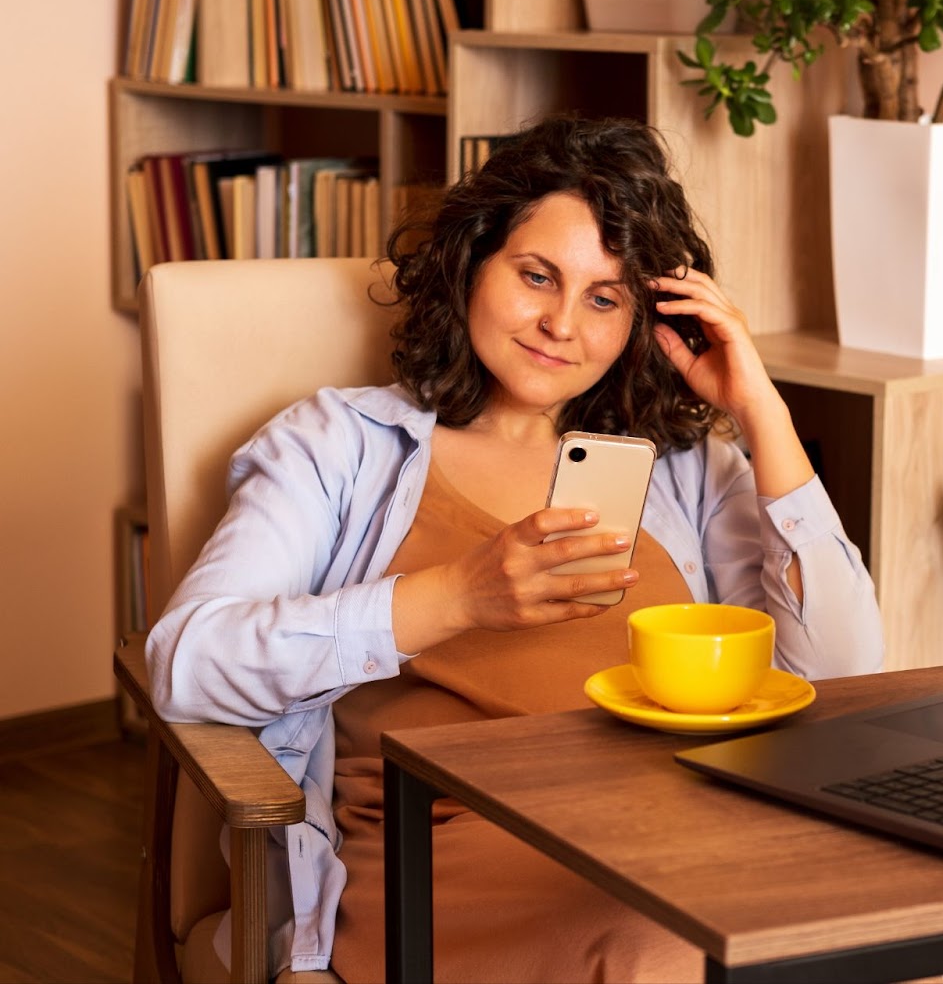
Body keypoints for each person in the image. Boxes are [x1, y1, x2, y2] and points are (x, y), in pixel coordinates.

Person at [145, 114, 885, 982]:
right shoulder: (337, 446)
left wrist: (763, 412)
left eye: (605, 298)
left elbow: (844, 674)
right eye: (537, 276)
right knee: (673, 954)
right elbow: (185, 661)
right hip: (451, 855)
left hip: (678, 837)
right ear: (471, 265)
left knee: (879, 934)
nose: (561, 324)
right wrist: (457, 596)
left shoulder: (689, 468)